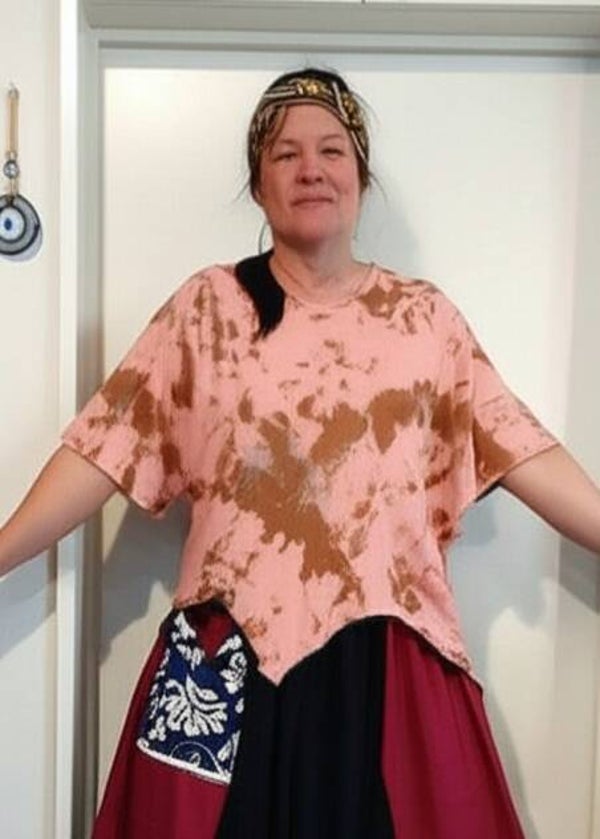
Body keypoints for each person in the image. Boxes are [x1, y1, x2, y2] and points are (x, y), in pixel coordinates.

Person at [1, 67, 599, 838]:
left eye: (331, 151)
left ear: (361, 177)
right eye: (285, 154)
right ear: (259, 185)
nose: (311, 169)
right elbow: (102, 448)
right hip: (220, 666)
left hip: (389, 665)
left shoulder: (426, 323)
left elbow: (521, 448)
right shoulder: (206, 310)